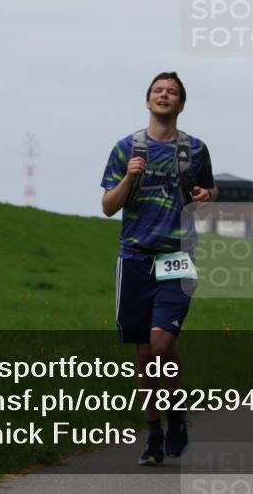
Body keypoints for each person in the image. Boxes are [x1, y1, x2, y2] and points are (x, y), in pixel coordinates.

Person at [101, 72, 217, 465]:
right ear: (148, 100)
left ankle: (176, 413)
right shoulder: (126, 148)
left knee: (163, 343)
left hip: (177, 257)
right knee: (145, 354)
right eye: (158, 91)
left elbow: (207, 192)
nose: (164, 96)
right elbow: (108, 205)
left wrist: (205, 195)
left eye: (172, 92)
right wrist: (130, 177)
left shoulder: (195, 150)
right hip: (134, 258)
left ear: (181, 105)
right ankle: (154, 430)